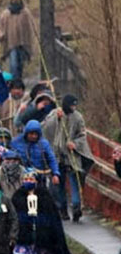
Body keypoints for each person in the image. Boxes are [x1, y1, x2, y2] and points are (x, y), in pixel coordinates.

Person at [11, 168, 72, 254]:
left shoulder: (44, 196)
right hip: (23, 237)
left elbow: (52, 217)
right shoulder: (17, 196)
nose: (28, 182)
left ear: (37, 181)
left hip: (40, 237)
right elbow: (13, 216)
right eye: (26, 179)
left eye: (31, 179)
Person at [42, 94, 89, 222]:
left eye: (75, 105)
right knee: (59, 185)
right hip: (56, 156)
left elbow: (82, 134)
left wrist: (75, 144)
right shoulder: (54, 114)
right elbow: (45, 129)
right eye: (71, 105)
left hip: (72, 156)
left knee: (75, 182)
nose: (73, 108)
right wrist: (56, 119)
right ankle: (62, 208)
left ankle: (76, 207)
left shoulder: (78, 117)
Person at [0, 0, 38, 80]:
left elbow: (32, 25)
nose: (15, 2)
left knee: (20, 64)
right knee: (13, 64)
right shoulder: (6, 14)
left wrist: (34, 35)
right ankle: (14, 82)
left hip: (23, 43)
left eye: (17, 0)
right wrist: (0, 35)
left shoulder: (25, 13)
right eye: (14, 1)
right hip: (11, 44)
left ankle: (19, 81)